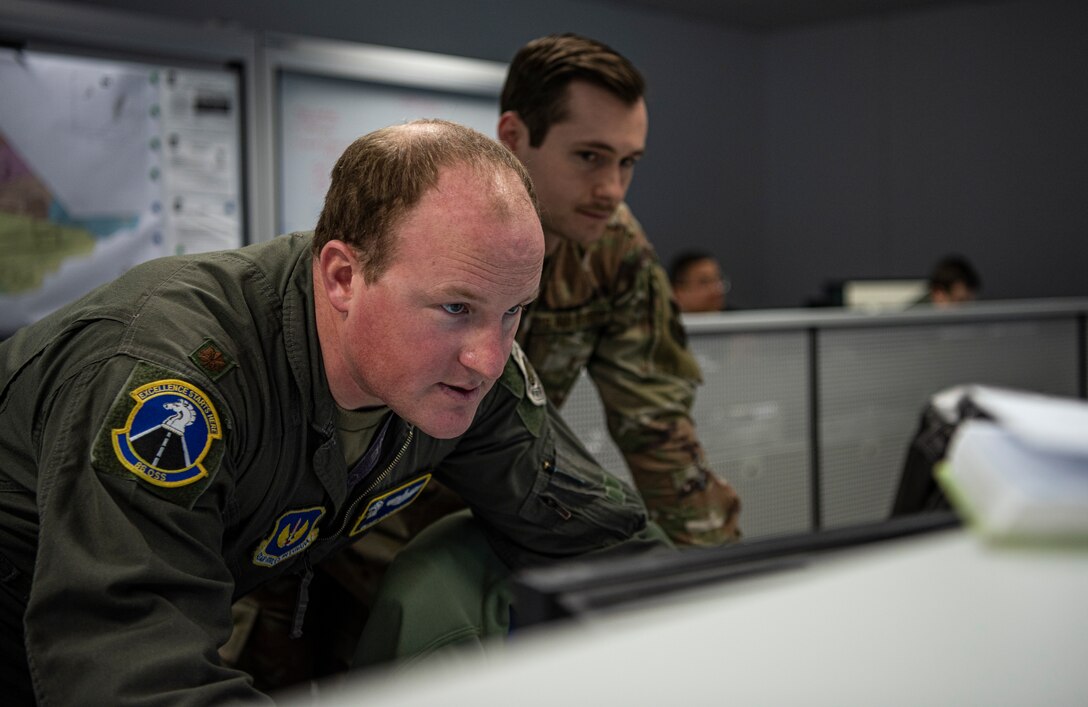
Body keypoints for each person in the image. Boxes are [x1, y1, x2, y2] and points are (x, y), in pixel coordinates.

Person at [0, 119, 667, 703]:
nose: (489, 360)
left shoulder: (460, 370)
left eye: (513, 311)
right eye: (455, 308)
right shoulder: (172, 379)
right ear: (344, 277)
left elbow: (597, 535)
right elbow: (129, 668)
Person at [498, 33, 741, 545]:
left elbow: (657, 427)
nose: (611, 189)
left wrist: (717, 568)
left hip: (497, 520)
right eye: (590, 155)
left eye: (627, 162)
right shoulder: (434, 234)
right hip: (370, 529)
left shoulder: (614, 246)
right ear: (514, 137)